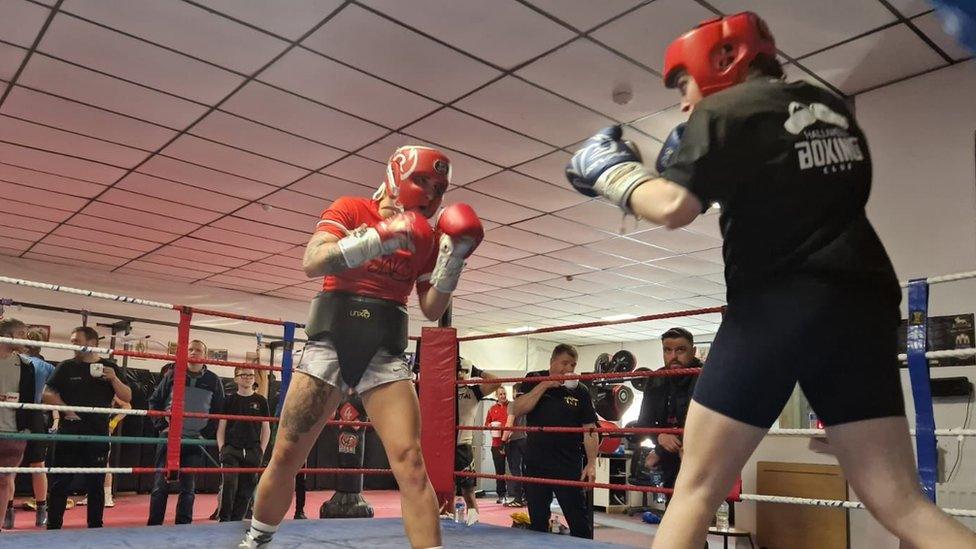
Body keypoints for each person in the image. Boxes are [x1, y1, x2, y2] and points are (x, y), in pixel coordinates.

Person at [565, 11, 976, 548]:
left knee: (694, 490)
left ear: (721, 61)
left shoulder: (726, 108)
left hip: (775, 307)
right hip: (863, 306)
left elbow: (672, 206)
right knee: (901, 502)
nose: (686, 102)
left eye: (685, 85)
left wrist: (609, 172)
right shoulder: (831, 108)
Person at [243, 145, 483, 549]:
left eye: (439, 187)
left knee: (410, 463)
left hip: (385, 352)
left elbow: (431, 308)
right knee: (286, 455)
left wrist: (454, 257)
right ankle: (255, 541)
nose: (430, 193)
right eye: (422, 181)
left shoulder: (428, 236)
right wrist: (376, 239)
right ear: (395, 177)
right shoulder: (352, 209)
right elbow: (313, 261)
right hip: (329, 343)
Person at [44, 326, 131, 530]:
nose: (72, 344)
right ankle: (53, 527)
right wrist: (67, 411)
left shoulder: (109, 367)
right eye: (72, 340)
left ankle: (95, 527)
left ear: (92, 343)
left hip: (98, 433)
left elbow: (127, 397)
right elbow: (47, 393)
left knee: (96, 484)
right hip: (69, 432)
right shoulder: (66, 367)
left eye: (76, 340)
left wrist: (114, 379)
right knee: (60, 482)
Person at [510, 344, 598, 539]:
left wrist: (592, 463)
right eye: (564, 363)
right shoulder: (534, 378)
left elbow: (590, 428)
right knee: (538, 520)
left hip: (567, 464)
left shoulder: (580, 390)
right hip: (536, 462)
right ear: (552, 362)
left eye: (573, 365)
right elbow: (516, 409)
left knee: (578, 521)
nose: (569, 369)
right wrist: (545, 384)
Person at [147, 339, 225, 526]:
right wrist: (161, 425)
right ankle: (153, 526)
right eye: (190, 349)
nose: (193, 352)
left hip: (195, 439)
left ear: (204, 355)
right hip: (169, 436)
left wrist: (205, 432)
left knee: (188, 487)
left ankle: (184, 526)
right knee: (160, 485)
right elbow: (155, 401)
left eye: (198, 350)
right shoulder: (173, 375)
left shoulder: (213, 380)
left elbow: (219, 410)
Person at [636, 328, 702, 506]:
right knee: (673, 504)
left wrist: (659, 450)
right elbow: (643, 423)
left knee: (696, 507)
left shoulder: (705, 377)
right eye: (667, 350)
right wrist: (660, 436)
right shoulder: (656, 379)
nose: (673, 356)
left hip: (700, 452)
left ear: (693, 351)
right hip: (671, 455)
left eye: (680, 350)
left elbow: (708, 423)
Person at [4, 328, 54, 529]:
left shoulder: (16, 361)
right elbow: (52, 395)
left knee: (10, 468)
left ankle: (8, 513)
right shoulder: (46, 366)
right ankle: (41, 511)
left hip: (13, 413)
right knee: (37, 465)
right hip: (34, 415)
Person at [444, 358, 501, 525]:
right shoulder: (442, 392)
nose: (460, 374)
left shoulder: (473, 391)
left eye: (464, 370)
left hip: (463, 448)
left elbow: (497, 382)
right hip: (443, 448)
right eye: (457, 371)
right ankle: (447, 528)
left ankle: (473, 526)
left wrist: (477, 371)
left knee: (469, 493)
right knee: (446, 493)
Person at [0, 319, 42, 534]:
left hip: (14, 431)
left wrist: (26, 429)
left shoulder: (27, 366)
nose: (26, 339)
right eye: (22, 333)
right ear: (9, 335)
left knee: (5, 480)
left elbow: (29, 400)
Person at [217, 367, 271, 522]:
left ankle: (236, 520)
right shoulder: (229, 400)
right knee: (229, 485)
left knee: (246, 490)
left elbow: (266, 428)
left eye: (250, 375)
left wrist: (261, 450)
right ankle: (224, 520)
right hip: (232, 449)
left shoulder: (261, 401)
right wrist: (222, 448)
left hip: (253, 450)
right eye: (244, 375)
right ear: (236, 378)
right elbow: (222, 427)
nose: (247, 377)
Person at [484, 386, 509, 504]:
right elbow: (486, 424)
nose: (503, 396)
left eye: (504, 394)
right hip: (496, 443)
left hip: (511, 442)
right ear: (496, 396)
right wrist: (490, 426)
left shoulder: (512, 406)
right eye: (501, 394)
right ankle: (501, 495)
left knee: (517, 470)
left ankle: (520, 496)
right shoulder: (491, 408)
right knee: (499, 471)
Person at [503, 405, 527, 508]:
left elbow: (509, 424)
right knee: (526, 469)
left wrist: (503, 441)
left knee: (515, 469)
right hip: (527, 438)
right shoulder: (529, 404)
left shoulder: (514, 404)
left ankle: (518, 499)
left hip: (516, 440)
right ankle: (527, 497)